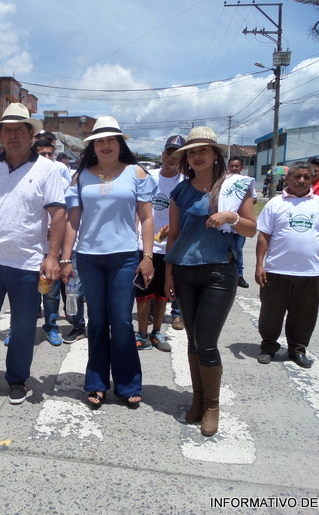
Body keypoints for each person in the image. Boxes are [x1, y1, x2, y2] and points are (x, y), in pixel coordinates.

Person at [0, 103, 66, 405]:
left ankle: (17, 378)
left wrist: (53, 257)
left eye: (20, 129)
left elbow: (58, 215)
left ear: (31, 134)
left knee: (22, 326)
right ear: (0, 135)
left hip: (28, 263)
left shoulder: (47, 170)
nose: (13, 135)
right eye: (8, 130)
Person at [165, 127, 256, 436]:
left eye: (203, 150)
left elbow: (251, 229)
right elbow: (174, 237)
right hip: (184, 272)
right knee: (193, 340)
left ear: (215, 154)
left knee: (206, 341)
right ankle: (198, 399)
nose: (197, 156)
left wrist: (230, 217)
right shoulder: (180, 191)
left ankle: (212, 406)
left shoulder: (235, 187)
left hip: (219, 272)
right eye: (191, 152)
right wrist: (168, 275)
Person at [60, 116, 156, 410]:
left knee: (122, 322)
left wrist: (147, 256)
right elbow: (72, 221)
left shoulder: (136, 173)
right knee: (97, 321)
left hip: (124, 258)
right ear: (92, 146)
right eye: (99, 141)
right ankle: (97, 383)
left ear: (119, 143)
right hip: (89, 258)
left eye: (110, 140)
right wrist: (66, 258)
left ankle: (128, 385)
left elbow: (147, 218)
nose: (105, 145)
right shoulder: (80, 177)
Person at [255, 161, 319, 369]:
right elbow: (263, 236)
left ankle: (297, 350)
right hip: (276, 270)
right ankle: (268, 347)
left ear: (312, 179)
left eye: (306, 177)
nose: (301, 180)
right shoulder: (275, 203)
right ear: (288, 178)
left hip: (308, 272)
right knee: (271, 313)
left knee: (304, 315)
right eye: (297, 176)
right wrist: (259, 265)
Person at [134, 135, 187, 351]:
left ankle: (157, 332)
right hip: (144, 244)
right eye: (168, 153)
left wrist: (174, 227)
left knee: (163, 292)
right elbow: (137, 207)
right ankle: (142, 333)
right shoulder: (149, 176)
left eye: (177, 155)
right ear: (163, 154)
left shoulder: (184, 182)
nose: (171, 158)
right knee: (143, 291)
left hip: (169, 245)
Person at [32, 137, 87, 346]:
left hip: (61, 247)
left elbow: (71, 216)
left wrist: (56, 231)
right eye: (42, 154)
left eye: (50, 154)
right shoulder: (28, 179)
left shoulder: (64, 182)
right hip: (37, 247)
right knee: (38, 292)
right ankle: (36, 328)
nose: (47, 158)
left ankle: (65, 326)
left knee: (63, 291)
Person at [227, 156, 258, 289]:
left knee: (238, 250)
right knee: (226, 250)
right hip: (226, 224)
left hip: (241, 223)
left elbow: (254, 199)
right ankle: (228, 276)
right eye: (232, 166)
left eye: (237, 166)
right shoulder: (224, 181)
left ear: (241, 167)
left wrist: (241, 201)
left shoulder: (245, 181)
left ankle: (239, 275)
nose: (234, 168)